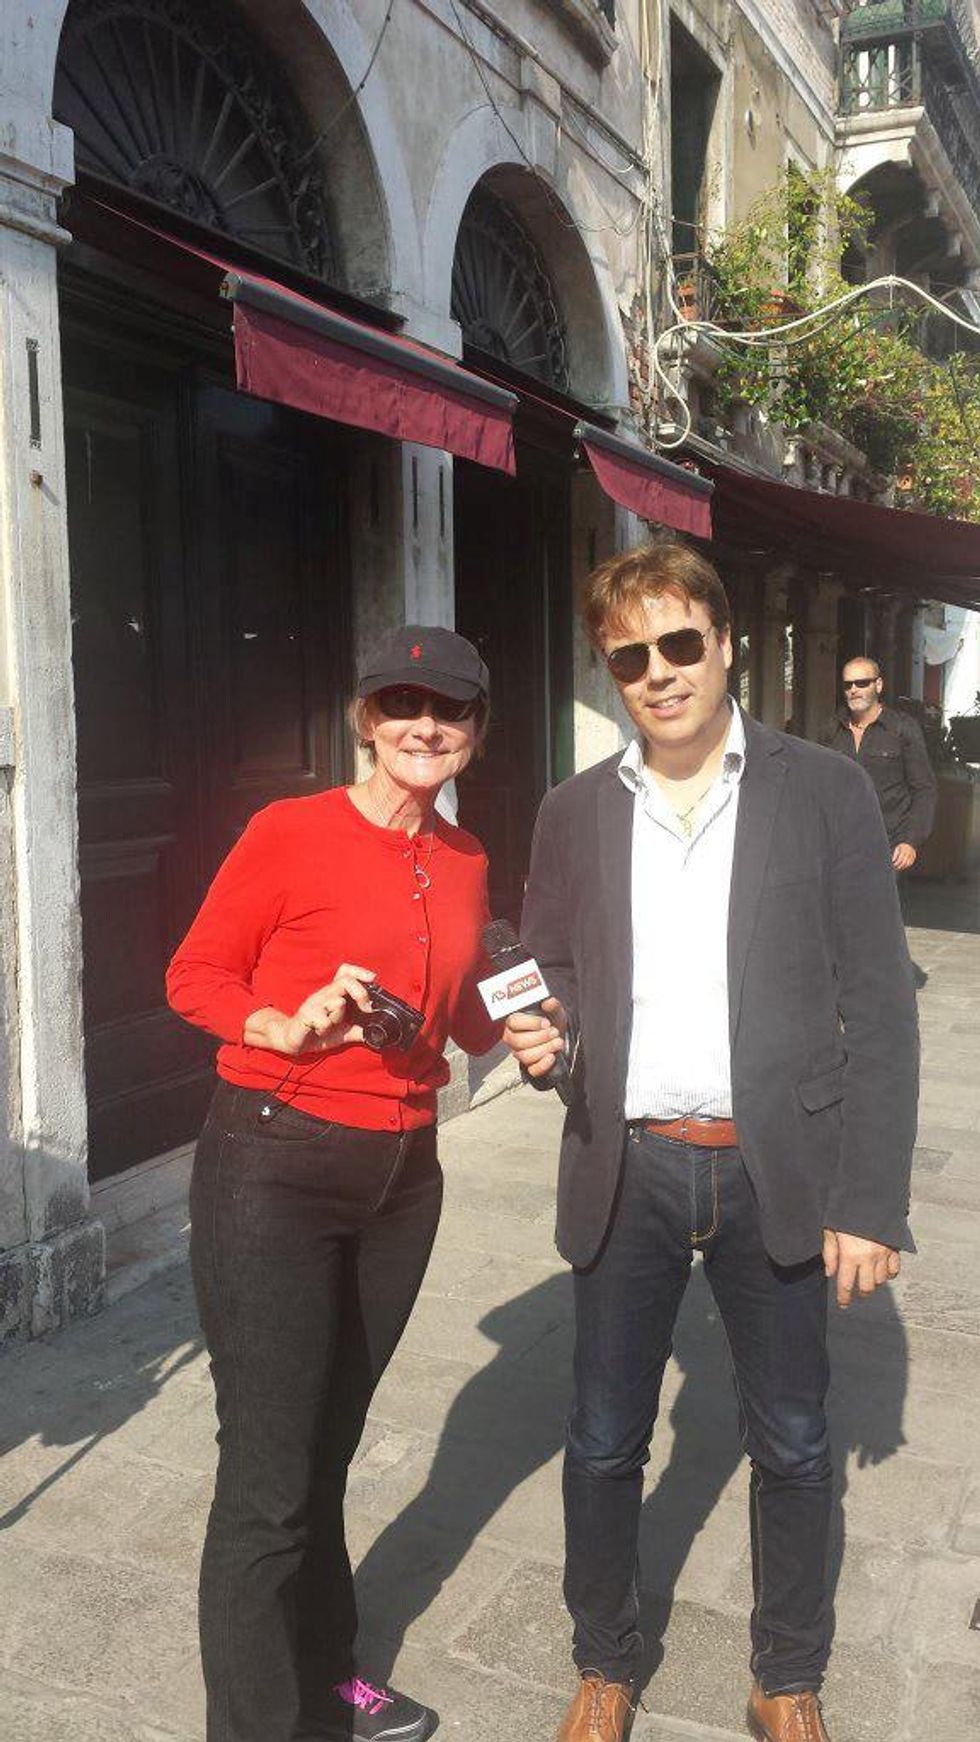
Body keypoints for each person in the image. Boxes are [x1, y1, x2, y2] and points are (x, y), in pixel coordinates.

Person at [501, 541, 918, 1742]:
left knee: (791, 1439)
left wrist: (868, 1200)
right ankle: (602, 1660)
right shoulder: (573, 809)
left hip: (772, 1161)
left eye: (679, 642)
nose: (657, 672)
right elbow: (559, 969)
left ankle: (784, 1673)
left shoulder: (819, 789)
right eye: (628, 655)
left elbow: (878, 1003)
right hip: (625, 1160)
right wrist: (548, 1034)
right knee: (599, 1440)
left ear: (726, 642)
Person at [166, 625, 501, 1742]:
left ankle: (327, 1675)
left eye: (447, 710)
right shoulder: (289, 830)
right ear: (365, 717)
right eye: (401, 703)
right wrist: (283, 1020)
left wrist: (527, 1032)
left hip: (403, 1177)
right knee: (266, 1472)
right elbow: (192, 974)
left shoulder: (462, 860)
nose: (423, 725)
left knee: (325, 1446)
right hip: (274, 1157)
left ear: (473, 732)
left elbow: (459, 1014)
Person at [821, 656, 936, 871]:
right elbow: (820, 787)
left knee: (879, 905)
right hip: (839, 846)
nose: (854, 689)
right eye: (848, 685)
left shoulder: (902, 728)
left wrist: (910, 841)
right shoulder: (833, 729)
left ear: (879, 685)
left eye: (862, 683)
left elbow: (924, 789)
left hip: (888, 847)